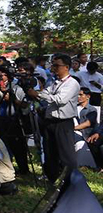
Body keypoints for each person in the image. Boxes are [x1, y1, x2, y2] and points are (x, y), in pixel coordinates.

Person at [26, 53, 80, 183]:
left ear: (66, 67)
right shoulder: (55, 82)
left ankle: (71, 180)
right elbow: (46, 92)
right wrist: (38, 94)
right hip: (50, 121)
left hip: (63, 122)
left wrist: (38, 94)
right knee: (50, 152)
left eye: (57, 65)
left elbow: (60, 100)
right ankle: (52, 178)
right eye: (53, 65)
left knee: (66, 154)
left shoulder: (72, 83)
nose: (54, 68)